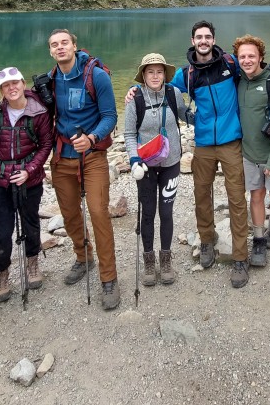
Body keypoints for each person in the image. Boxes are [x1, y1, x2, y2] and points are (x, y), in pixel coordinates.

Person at [171, 20, 251, 288]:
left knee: (236, 198)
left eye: (207, 37)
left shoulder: (230, 63)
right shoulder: (187, 74)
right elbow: (162, 88)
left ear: (214, 40)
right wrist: (135, 90)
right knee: (202, 194)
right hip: (204, 142)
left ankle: (240, 256)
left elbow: (256, 70)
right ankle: (207, 239)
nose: (203, 41)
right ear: (193, 41)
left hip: (231, 140)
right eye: (199, 37)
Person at [46, 29, 121, 310]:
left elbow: (110, 116)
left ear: (74, 46)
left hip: (92, 156)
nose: (60, 47)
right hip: (62, 157)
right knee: (69, 214)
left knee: (99, 212)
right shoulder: (51, 79)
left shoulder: (96, 76)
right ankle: (83, 255)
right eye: (55, 45)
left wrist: (91, 138)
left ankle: (109, 277)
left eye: (64, 43)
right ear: (51, 51)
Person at [0, 66, 54, 301]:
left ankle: (32, 264)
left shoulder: (39, 112)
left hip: (29, 178)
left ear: (23, 84)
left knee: (30, 223)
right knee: (0, 231)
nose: (11, 88)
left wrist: (29, 170)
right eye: (5, 85)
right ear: (1, 90)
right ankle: (1, 273)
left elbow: (46, 145)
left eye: (15, 83)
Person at [124, 53, 192, 287]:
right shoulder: (135, 99)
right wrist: (134, 159)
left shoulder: (173, 94)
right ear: (143, 75)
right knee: (148, 213)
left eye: (159, 71)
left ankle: (165, 260)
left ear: (165, 74)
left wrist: (207, 112)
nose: (155, 76)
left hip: (171, 163)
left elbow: (185, 115)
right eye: (150, 72)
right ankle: (149, 261)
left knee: (166, 212)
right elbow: (129, 134)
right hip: (144, 166)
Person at [233, 35, 270, 269]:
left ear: (260, 57)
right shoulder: (239, 81)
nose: (247, 60)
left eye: (251, 56)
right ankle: (258, 239)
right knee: (256, 197)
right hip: (250, 154)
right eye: (242, 57)